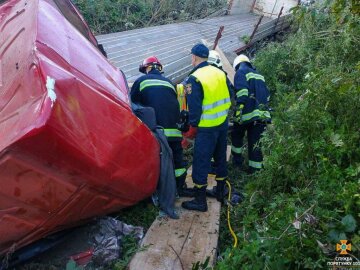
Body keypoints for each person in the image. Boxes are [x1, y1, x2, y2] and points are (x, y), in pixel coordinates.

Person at [130, 56, 192, 197]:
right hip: (175, 132)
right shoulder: (169, 83)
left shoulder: (141, 81)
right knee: (178, 161)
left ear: (148, 68)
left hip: (157, 133)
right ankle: (180, 187)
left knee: (157, 161)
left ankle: (159, 191)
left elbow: (132, 105)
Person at [181, 44, 231, 212]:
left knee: (201, 162)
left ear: (194, 57)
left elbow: (194, 110)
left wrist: (190, 127)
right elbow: (230, 94)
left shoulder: (194, 78)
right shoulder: (220, 72)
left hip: (207, 128)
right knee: (220, 158)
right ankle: (220, 190)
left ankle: (200, 201)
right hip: (222, 124)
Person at [231, 54, 271, 173]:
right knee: (256, 143)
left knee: (236, 136)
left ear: (236, 65)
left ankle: (237, 163)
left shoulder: (240, 72)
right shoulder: (260, 75)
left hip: (247, 114)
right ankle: (255, 172)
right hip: (262, 116)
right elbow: (267, 95)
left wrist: (238, 110)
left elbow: (242, 92)